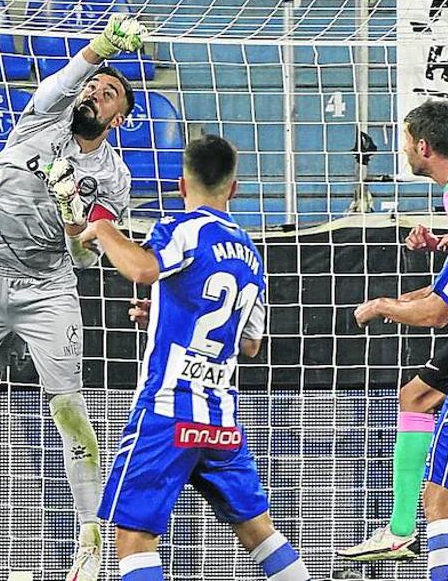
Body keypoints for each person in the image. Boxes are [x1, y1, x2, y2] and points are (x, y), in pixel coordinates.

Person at [0, 14, 146, 581]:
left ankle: (90, 533)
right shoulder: (43, 116)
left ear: (119, 118)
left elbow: (86, 257)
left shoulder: (114, 179)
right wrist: (105, 45)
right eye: (93, 87)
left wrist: (71, 209)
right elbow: (74, 71)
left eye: (108, 94)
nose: (94, 93)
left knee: (67, 404)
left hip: (46, 288)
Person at [82, 134, 310, 581]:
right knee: (259, 531)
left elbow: (142, 268)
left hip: (168, 410)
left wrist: (104, 228)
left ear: (181, 185)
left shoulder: (183, 228)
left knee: (134, 537)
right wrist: (164, 316)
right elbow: (250, 344)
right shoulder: (250, 253)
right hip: (220, 418)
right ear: (234, 188)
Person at [338, 100, 448, 580]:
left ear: (422, 146)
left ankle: (410, 532)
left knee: (434, 435)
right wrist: (443, 243)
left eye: (404, 140)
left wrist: (388, 305)